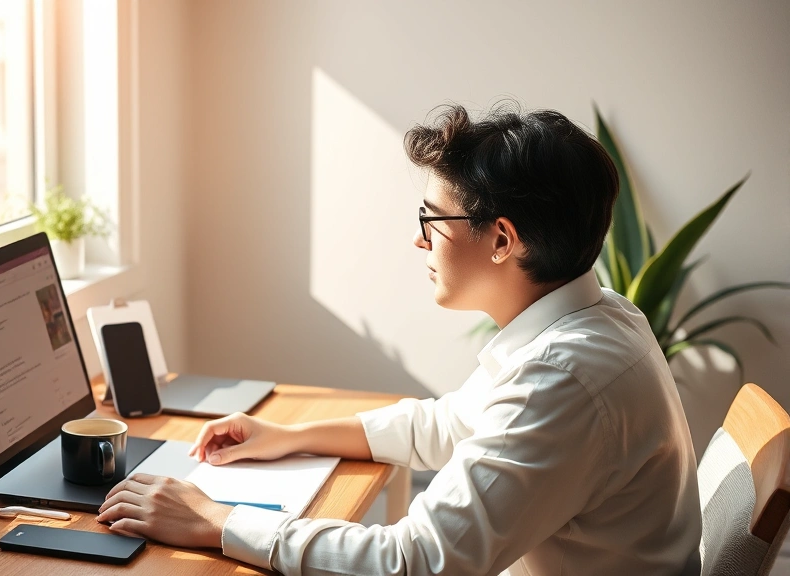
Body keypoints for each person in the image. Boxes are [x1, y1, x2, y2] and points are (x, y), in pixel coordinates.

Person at [96, 102, 702, 575]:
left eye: (431, 222)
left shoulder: (564, 377)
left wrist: (215, 519)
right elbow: (449, 426)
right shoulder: (601, 317)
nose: (419, 242)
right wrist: (290, 436)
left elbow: (413, 562)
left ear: (501, 240)